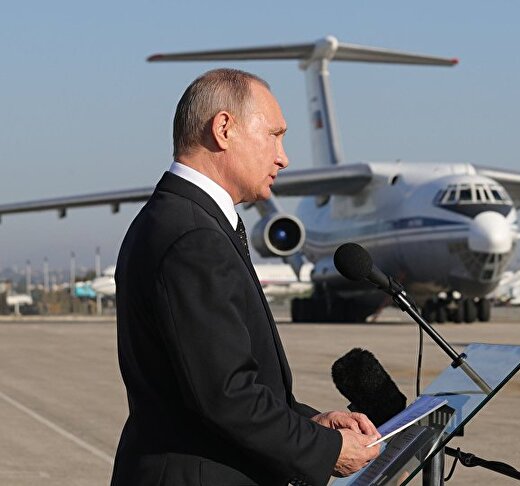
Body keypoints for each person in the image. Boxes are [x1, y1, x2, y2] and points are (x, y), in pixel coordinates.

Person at [111, 69, 380, 486]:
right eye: (274, 134)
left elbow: (216, 385)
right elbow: (226, 396)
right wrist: (325, 450)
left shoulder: (179, 219)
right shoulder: (194, 237)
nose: (283, 157)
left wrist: (312, 423)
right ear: (223, 128)